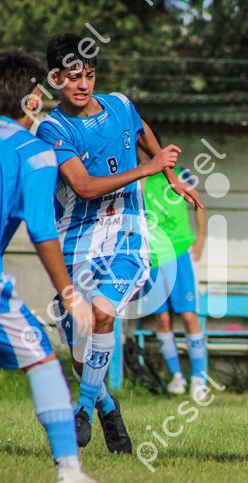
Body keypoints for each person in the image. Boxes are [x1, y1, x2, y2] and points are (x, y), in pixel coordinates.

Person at [36, 34, 202, 453]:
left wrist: (171, 176)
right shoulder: (53, 128)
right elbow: (84, 186)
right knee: (80, 350)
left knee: (102, 313)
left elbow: (142, 131)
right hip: (76, 240)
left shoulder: (121, 105)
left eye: (90, 75)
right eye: (73, 77)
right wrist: (148, 169)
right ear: (55, 79)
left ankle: (81, 412)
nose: (83, 84)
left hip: (128, 235)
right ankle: (106, 407)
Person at [0, 49, 100, 483]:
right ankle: (69, 472)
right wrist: (71, 295)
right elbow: (42, 231)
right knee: (41, 359)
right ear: (33, 101)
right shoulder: (35, 152)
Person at [138, 146, 209, 402]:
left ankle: (199, 379)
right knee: (163, 318)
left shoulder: (180, 173)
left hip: (180, 253)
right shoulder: (137, 178)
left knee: (189, 316)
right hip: (154, 257)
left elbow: (198, 204)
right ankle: (176, 377)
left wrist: (201, 238)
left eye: (141, 148)